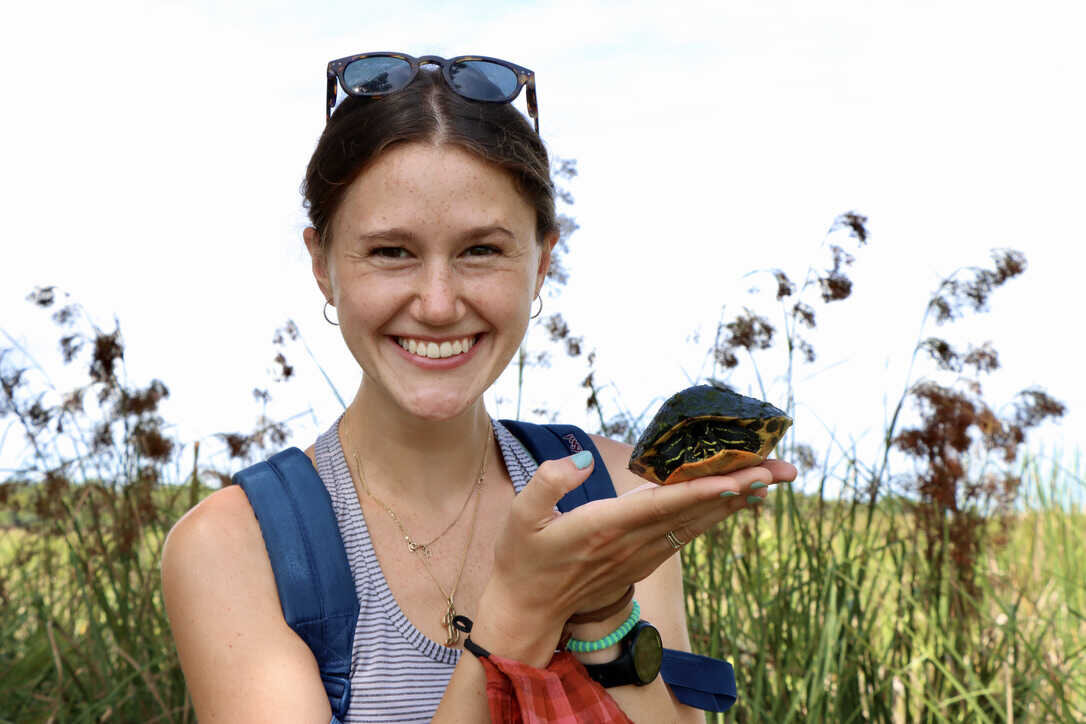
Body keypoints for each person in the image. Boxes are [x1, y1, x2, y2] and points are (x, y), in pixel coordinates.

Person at [161, 52, 796, 723]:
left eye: (481, 250)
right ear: (322, 265)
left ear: (542, 263)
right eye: (391, 251)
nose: (437, 304)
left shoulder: (616, 500)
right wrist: (521, 616)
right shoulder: (239, 548)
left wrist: (604, 612)